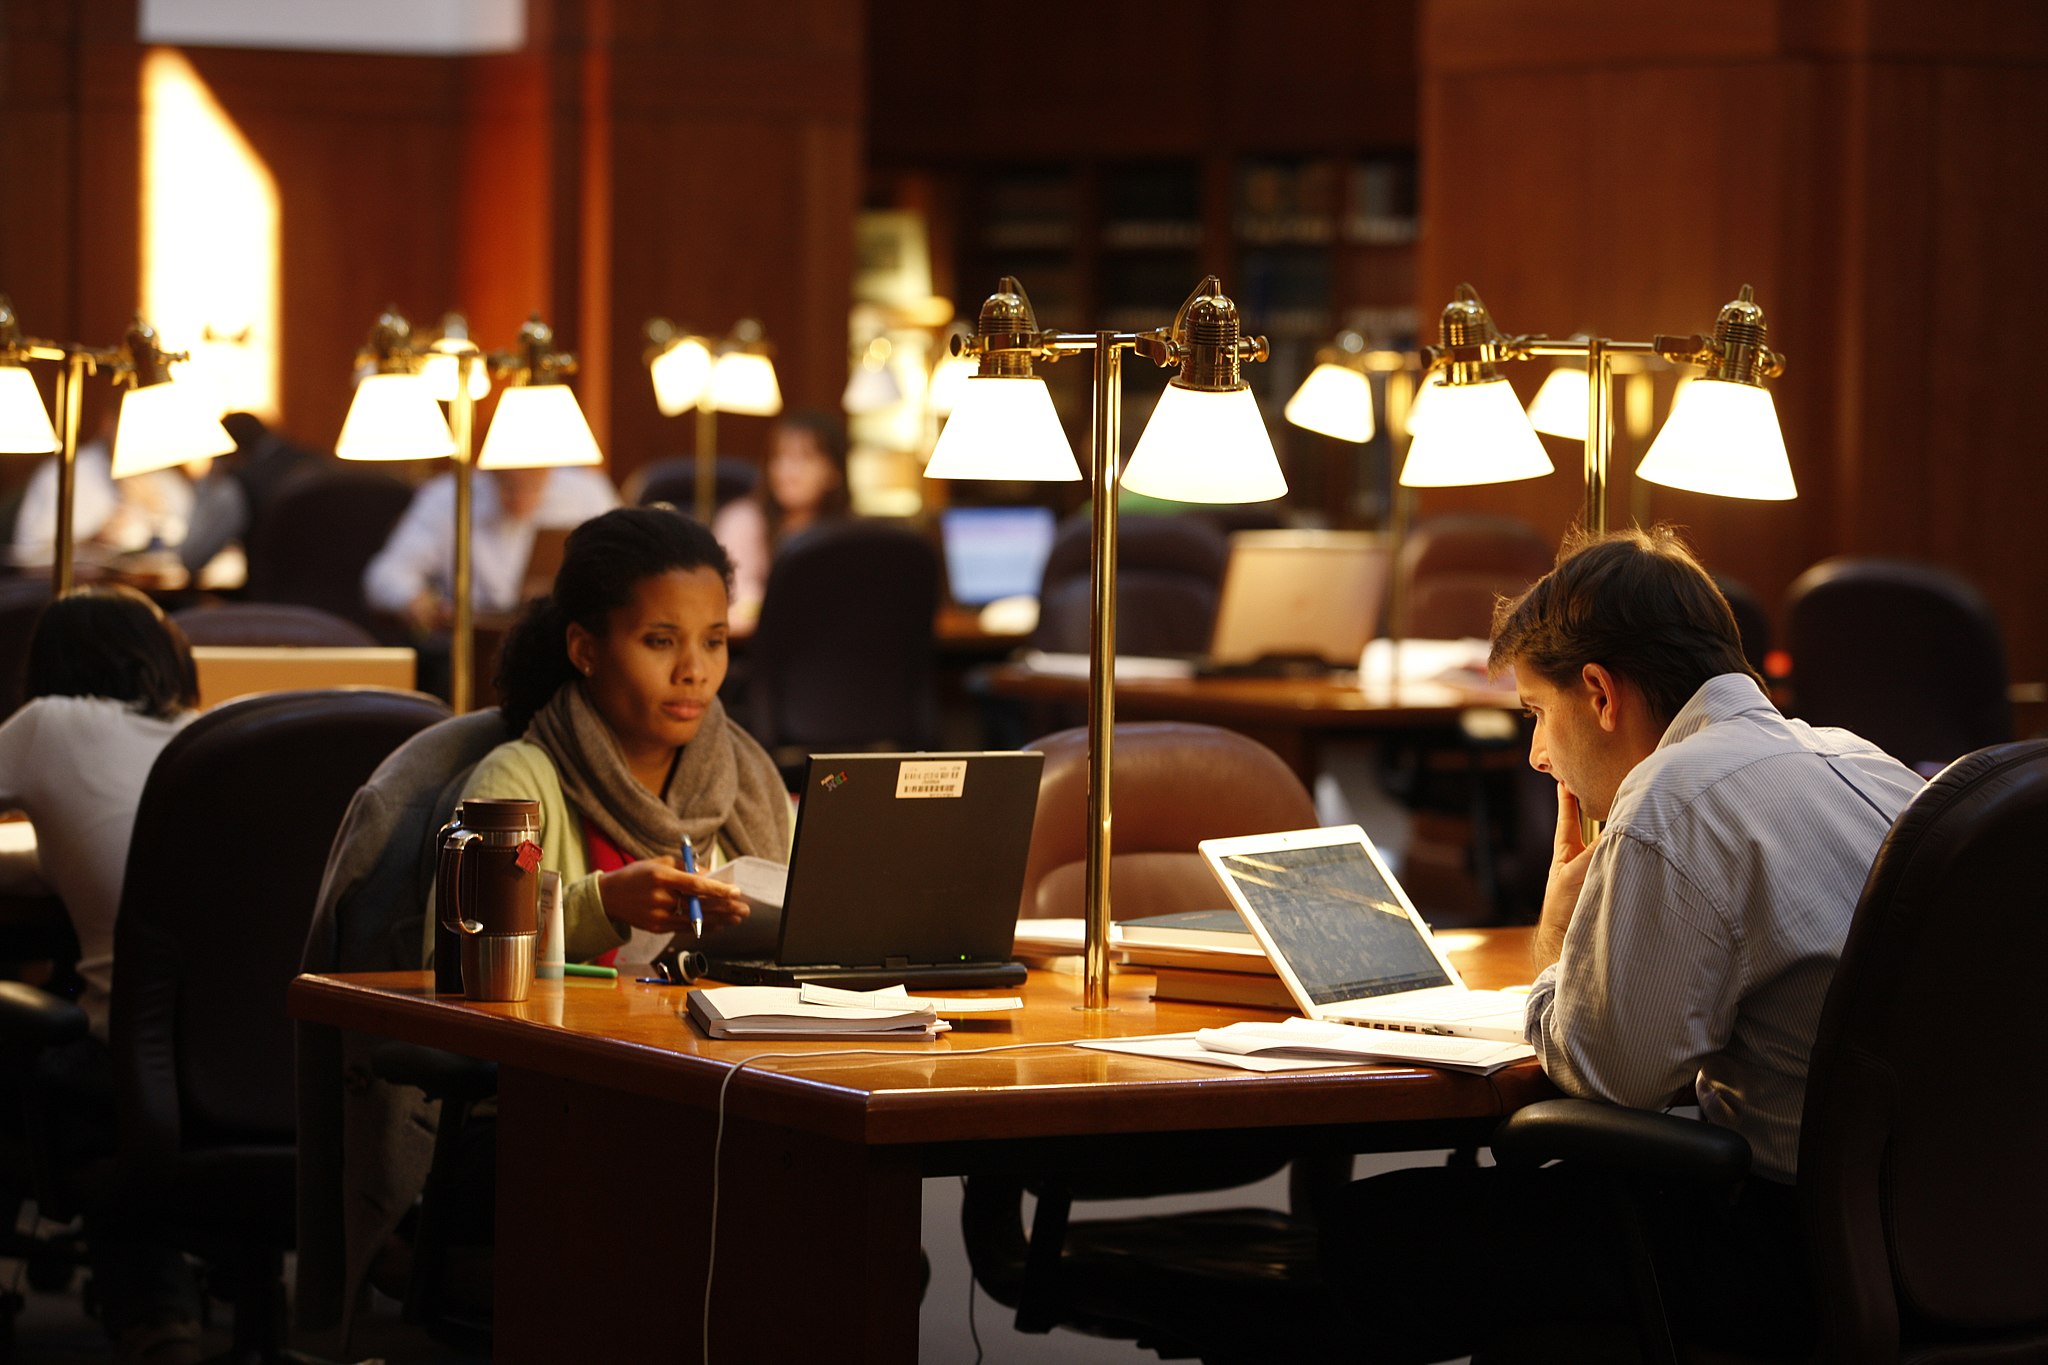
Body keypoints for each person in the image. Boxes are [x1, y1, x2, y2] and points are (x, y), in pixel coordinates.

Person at [1322, 526, 1922, 1361]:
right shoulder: (1866, 763)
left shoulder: (1673, 797)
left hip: (1782, 1248)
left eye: (1537, 712)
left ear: (1600, 692)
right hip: (1940, 1239)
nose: (1536, 753)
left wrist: (1559, 940)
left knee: (1370, 1237)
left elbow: (1609, 1078)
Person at [0, 587, 204, 1363]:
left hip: (126, 1071)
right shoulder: (211, 736)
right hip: (255, 1068)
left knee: (59, 1046)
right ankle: (156, 1301)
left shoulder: (52, 721)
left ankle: (148, 1296)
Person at [452, 505, 790, 964]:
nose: (694, 672)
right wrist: (601, 904)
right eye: (660, 641)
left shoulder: (749, 777)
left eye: (713, 642)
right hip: (571, 1037)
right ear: (586, 649)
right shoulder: (517, 784)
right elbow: (454, 959)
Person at [361, 463, 620, 631]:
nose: (520, 493)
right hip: (476, 638)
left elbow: (624, 566)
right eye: (509, 483)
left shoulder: (587, 493)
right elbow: (385, 574)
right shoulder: (450, 497)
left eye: (532, 478)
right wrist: (414, 600)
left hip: (561, 632)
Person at [710, 409, 850, 629]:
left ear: (834, 471)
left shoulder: (849, 533)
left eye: (805, 458)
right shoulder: (743, 521)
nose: (786, 471)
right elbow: (733, 598)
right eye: (779, 457)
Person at [177, 410, 327, 577]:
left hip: (273, 598)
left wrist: (208, 485)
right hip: (340, 594)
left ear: (227, 455)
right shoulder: (320, 462)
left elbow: (191, 557)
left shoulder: (238, 484)